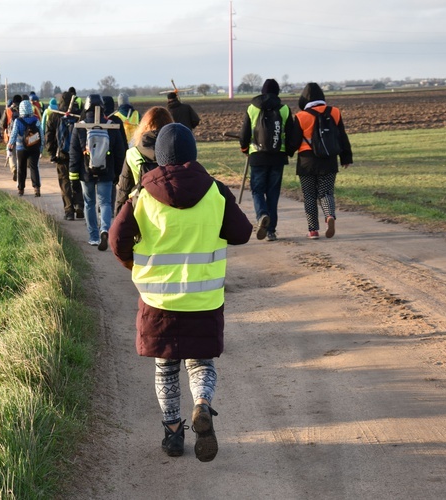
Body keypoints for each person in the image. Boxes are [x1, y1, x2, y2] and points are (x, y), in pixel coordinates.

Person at [108, 123, 252, 461]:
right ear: (193, 153)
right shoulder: (215, 191)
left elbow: (116, 239)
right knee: (201, 364)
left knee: (166, 368)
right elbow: (242, 232)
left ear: (158, 156)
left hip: (159, 301)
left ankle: (173, 434)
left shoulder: (142, 195)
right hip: (204, 300)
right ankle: (202, 404)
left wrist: (132, 263)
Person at [291, 82, 353, 239]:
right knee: (326, 192)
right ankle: (330, 216)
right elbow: (342, 136)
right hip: (329, 159)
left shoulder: (300, 117)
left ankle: (313, 230)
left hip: (307, 162)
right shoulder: (334, 112)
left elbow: (293, 142)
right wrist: (346, 158)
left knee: (310, 195)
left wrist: (286, 152)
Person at [238, 78, 295, 241]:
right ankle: (271, 231)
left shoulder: (252, 108)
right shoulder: (284, 109)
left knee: (257, 190)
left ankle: (262, 215)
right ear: (277, 92)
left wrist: (244, 149)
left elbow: (245, 134)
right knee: (273, 193)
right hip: (278, 157)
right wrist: (289, 151)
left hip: (257, 156)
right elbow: (290, 133)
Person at [69, 94, 125, 250]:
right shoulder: (111, 125)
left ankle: (93, 237)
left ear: (86, 107)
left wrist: (73, 176)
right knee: (105, 202)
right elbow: (120, 152)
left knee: (89, 203)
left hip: (86, 172)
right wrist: (117, 173)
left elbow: (73, 154)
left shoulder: (80, 126)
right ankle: (105, 230)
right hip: (106, 172)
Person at [114, 106, 174, 215]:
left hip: (143, 211)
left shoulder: (132, 153)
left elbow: (124, 190)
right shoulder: (178, 151)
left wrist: (119, 217)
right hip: (172, 209)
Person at [46, 91, 84, 221]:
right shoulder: (79, 115)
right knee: (77, 178)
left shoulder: (54, 116)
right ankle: (79, 205)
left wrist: (51, 152)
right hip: (78, 153)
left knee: (64, 181)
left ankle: (69, 211)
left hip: (61, 154)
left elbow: (49, 136)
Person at [8, 99, 44, 197]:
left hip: (21, 148)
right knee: (34, 167)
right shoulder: (36, 120)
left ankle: (21, 189)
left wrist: (10, 146)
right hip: (34, 147)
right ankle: (36, 188)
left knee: (21, 168)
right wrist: (41, 148)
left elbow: (13, 135)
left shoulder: (18, 121)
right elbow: (41, 134)